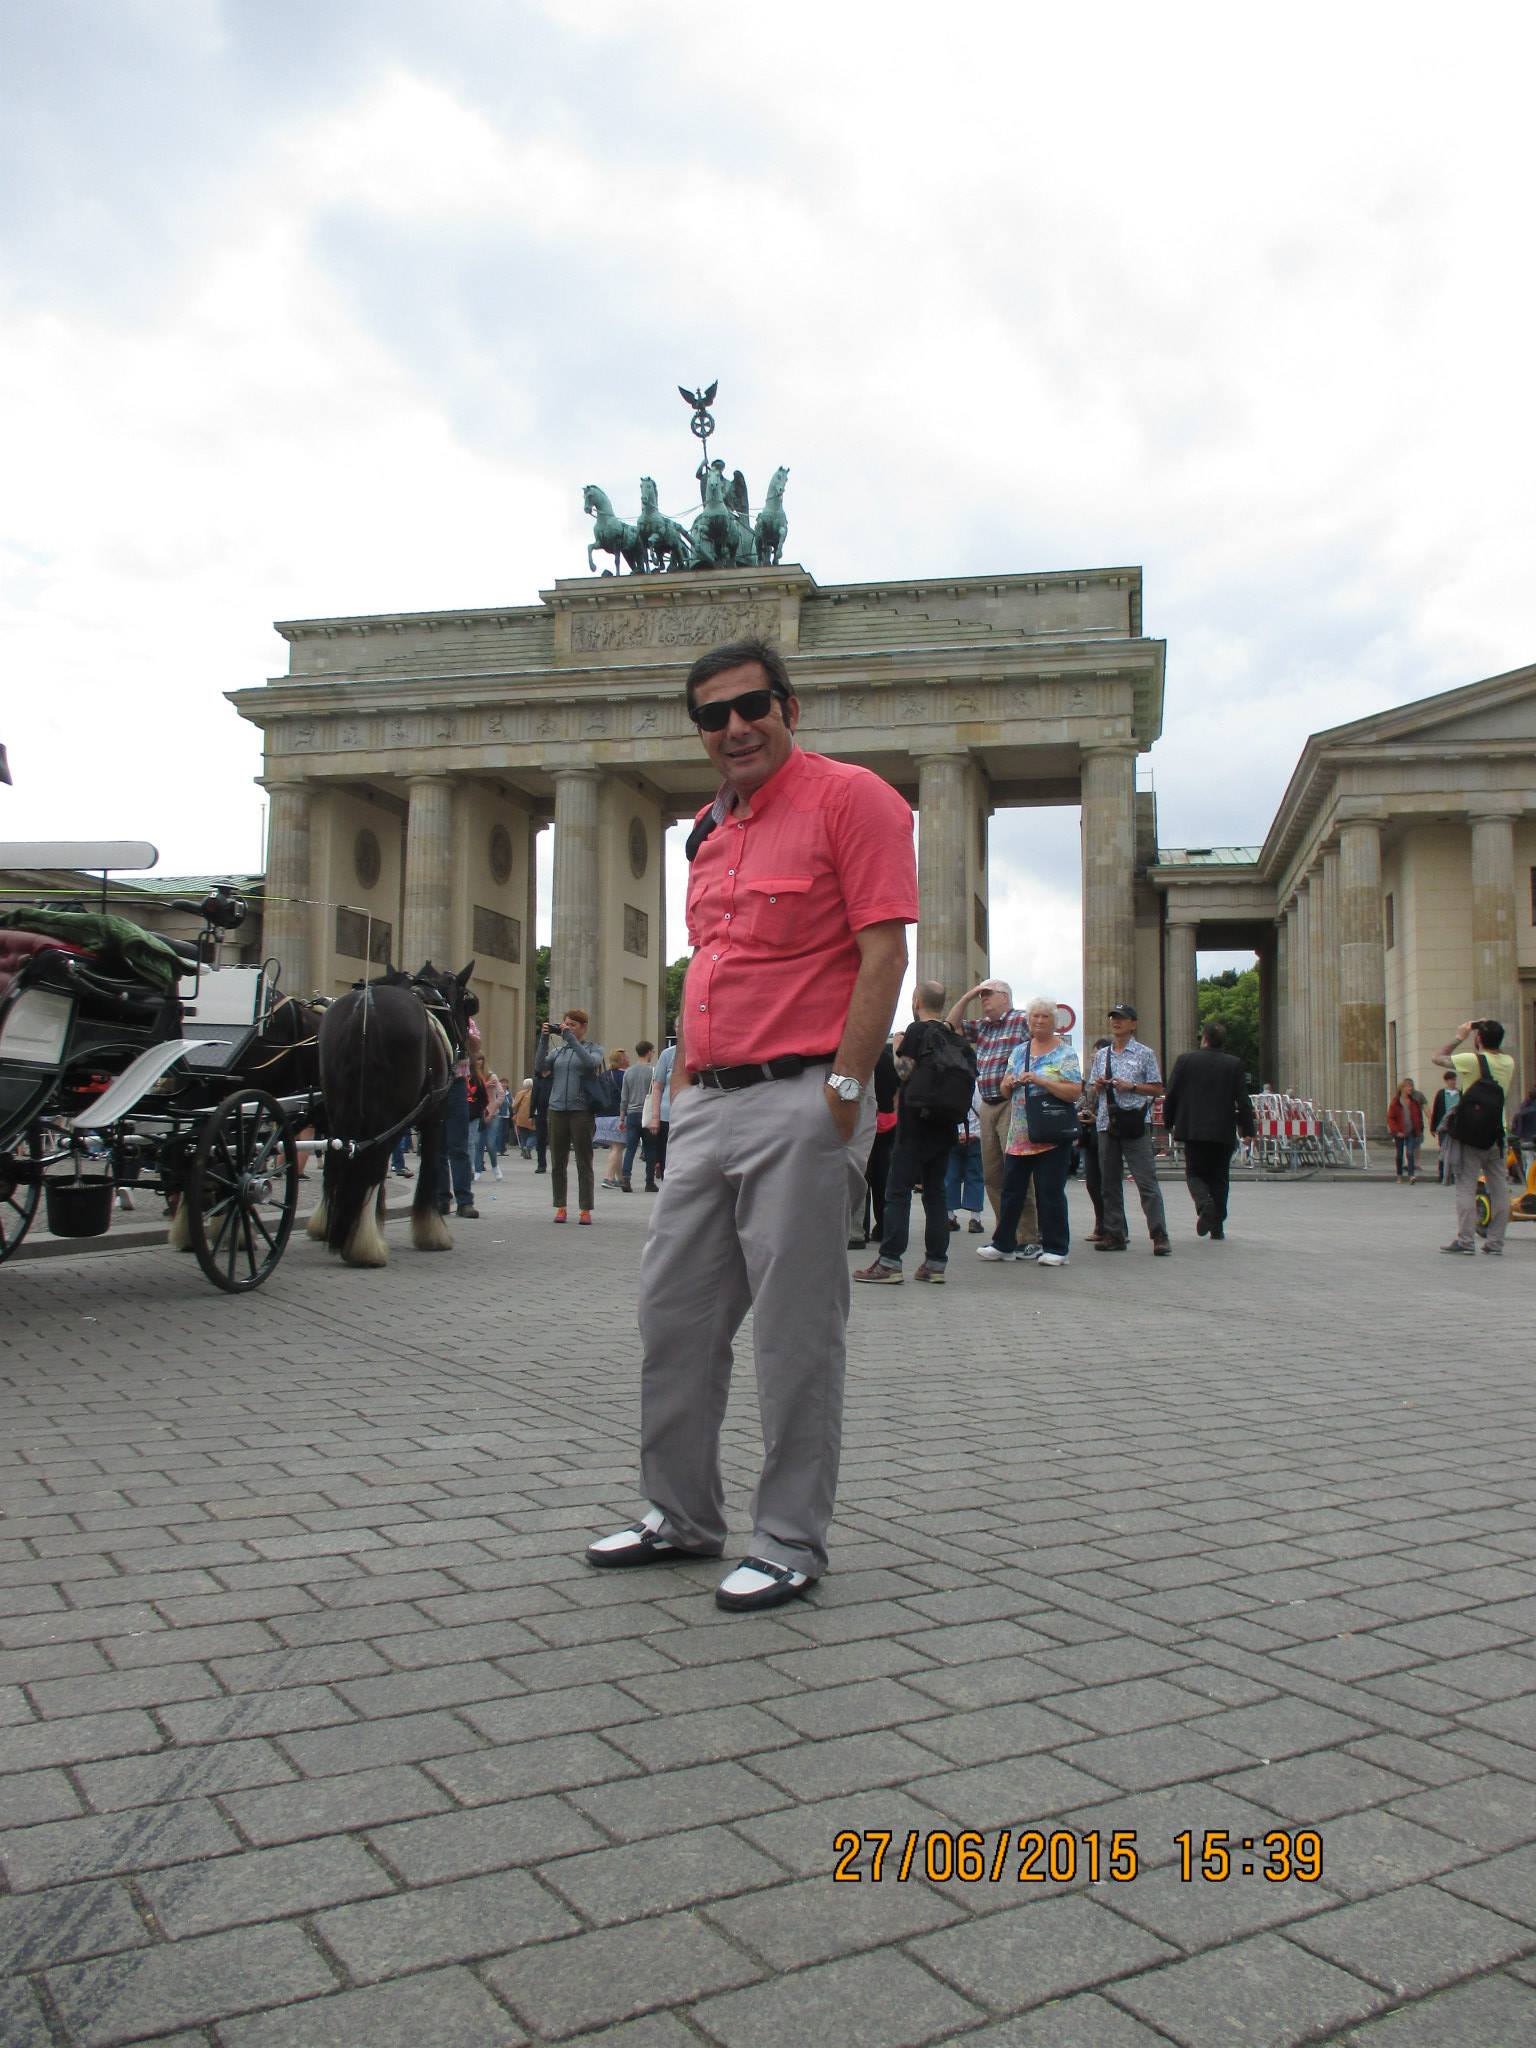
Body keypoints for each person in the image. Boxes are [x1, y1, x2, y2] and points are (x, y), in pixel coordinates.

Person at [585, 635, 915, 1613]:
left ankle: (788, 1537)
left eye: (751, 705)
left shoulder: (853, 799)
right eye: (712, 714)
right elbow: (714, 962)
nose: (733, 726)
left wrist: (844, 1090)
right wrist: (684, 1087)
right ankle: (681, 1514)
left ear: (789, 708)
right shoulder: (707, 830)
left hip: (802, 1096)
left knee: (793, 1333)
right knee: (673, 1316)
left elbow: (884, 954)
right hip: (708, 1102)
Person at [855, 983, 963, 1285]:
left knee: (897, 1192)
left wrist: (897, 1047)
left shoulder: (916, 1031)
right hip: (945, 1125)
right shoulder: (952, 1035)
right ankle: (935, 1264)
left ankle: (890, 1262)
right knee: (935, 1193)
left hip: (915, 1125)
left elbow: (903, 1072)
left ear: (916, 1001)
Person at [975, 997, 1082, 1266]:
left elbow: (1074, 1092)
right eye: (1035, 1016)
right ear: (1028, 1021)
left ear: (1054, 1022)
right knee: (1011, 1190)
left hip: (1051, 1133)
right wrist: (1009, 1082)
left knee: (1050, 1192)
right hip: (1020, 1133)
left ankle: (1057, 1248)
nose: (1039, 1021)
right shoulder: (1019, 1051)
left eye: (1045, 1017)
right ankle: (1004, 1244)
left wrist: (1041, 1081)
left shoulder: (1065, 1053)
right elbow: (1003, 1090)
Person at [946, 978, 1038, 1248]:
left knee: (1017, 1171)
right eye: (981, 995)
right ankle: (1006, 1232)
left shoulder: (1022, 1020)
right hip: (987, 1104)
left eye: (988, 994)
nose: (983, 999)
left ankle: (1028, 1234)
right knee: (993, 1175)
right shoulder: (984, 1026)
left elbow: (1046, 1044)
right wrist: (968, 996)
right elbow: (950, 1026)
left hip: (1013, 1103)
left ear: (1005, 998)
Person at [1087, 1002, 1170, 1254]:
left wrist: (1131, 1086)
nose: (1116, 1021)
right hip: (1106, 1123)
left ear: (1133, 1024)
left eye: (1122, 1018)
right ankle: (1114, 1234)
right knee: (1109, 1182)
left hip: (1135, 1122)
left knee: (1146, 1181)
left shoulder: (1144, 1053)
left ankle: (1159, 1235)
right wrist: (1098, 1086)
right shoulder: (1102, 1055)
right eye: (1113, 1017)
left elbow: (1157, 1088)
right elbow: (1091, 1091)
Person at [1163, 1019, 1257, 1239]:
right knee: (1220, 1177)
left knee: (1194, 1173)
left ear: (1204, 1039)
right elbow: (1243, 1101)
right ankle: (1217, 1227)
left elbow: (1172, 1094)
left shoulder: (1185, 1061)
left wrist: (1168, 1122)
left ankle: (1205, 1204)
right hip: (1222, 1130)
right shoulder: (1234, 1064)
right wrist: (1248, 1130)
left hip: (1193, 1129)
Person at [1436, 1017, 1515, 1256]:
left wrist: (1460, 1036)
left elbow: (1438, 1057)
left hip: (1469, 1134)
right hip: (1497, 1133)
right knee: (1499, 1188)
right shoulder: (1508, 1062)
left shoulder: (1472, 1060)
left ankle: (1466, 1240)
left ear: (1479, 1038)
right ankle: (1495, 1242)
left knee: (1466, 1186)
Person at [537, 1007, 604, 1223]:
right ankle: (560, 1206)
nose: (568, 1028)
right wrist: (543, 1039)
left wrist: (570, 1038)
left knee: (584, 1161)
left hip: (581, 1110)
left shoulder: (594, 1048)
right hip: (556, 1109)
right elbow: (540, 1067)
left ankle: (585, 1209)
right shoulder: (559, 1052)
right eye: (566, 1024)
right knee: (558, 1161)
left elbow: (590, 1063)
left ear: (583, 1027)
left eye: (573, 1025)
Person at [853, 1039, 900, 1249]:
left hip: (865, 1118)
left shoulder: (862, 1057)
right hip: (887, 1121)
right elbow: (898, 1089)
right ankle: (883, 1227)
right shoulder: (888, 1059)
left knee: (861, 1175)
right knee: (882, 1176)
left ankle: (859, 1229)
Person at [436, 1013, 478, 1221]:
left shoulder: (461, 1018)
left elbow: (475, 1046)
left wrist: (462, 1030)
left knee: (458, 1145)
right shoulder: (427, 1013)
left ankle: (464, 1201)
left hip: (457, 1081)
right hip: (434, 1082)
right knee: (437, 1146)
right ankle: (441, 1199)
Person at [1078, 1037, 1110, 1241]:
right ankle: (1100, 1224)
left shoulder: (1113, 1078)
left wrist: (1096, 1118)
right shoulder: (1091, 1080)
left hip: (1107, 1134)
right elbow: (1086, 1104)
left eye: (1096, 1053)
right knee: (1092, 1183)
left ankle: (1113, 1226)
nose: (1092, 1056)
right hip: (1090, 1136)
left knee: (1107, 1183)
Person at [945, 1084, 985, 1234]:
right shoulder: (977, 1087)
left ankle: (949, 1217)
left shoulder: (950, 1085)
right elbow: (983, 1112)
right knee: (975, 1177)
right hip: (975, 1137)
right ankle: (975, 1219)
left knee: (950, 1176)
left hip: (954, 1137)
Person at [619, 1041, 656, 1192]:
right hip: (648, 1114)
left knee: (630, 1148)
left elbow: (624, 1097)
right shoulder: (653, 1071)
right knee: (650, 1148)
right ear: (648, 1052)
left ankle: (626, 1178)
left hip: (632, 1114)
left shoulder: (628, 1072)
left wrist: (622, 1118)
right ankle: (649, 1182)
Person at [645, 1040, 675, 1188]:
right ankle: (667, 1187)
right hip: (666, 1116)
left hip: (693, 1115)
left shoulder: (699, 1050)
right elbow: (657, 1087)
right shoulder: (668, 1054)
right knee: (665, 1158)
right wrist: (655, 1117)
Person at [598, 1049, 629, 1187]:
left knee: (615, 1147)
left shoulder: (603, 1076)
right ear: (622, 1060)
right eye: (626, 1057)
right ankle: (608, 1178)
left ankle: (620, 1178)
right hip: (618, 1115)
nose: (628, 1059)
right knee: (617, 1147)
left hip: (602, 1115)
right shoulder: (625, 1076)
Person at [1387, 1078, 1426, 1183]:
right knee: (1399, 1154)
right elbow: (1391, 1118)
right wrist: (1396, 1131)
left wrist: (1419, 1128)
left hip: (1411, 1132)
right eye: (1408, 1086)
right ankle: (1399, 1175)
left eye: (1411, 1086)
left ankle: (1411, 1175)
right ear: (1402, 1088)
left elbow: (1418, 1116)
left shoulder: (1413, 1102)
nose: (1410, 1088)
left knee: (1410, 1153)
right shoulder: (1396, 1102)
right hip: (1399, 1132)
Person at [1429, 1076, 1460, 1183]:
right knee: (1443, 1150)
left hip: (1456, 1127)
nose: (1453, 1082)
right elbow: (1436, 1110)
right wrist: (1433, 1127)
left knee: (1455, 1151)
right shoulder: (1441, 1094)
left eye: (1454, 1080)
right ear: (1446, 1081)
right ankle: (1442, 1174)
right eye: (1451, 1080)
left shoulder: (1460, 1093)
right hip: (1444, 1127)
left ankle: (1453, 1174)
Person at [511, 1077, 536, 1160]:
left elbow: (514, 1105)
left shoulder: (520, 1093)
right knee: (534, 1134)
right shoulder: (535, 1093)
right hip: (532, 1117)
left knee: (523, 1135)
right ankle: (528, 1148)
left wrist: (515, 1113)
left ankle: (523, 1149)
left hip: (521, 1117)